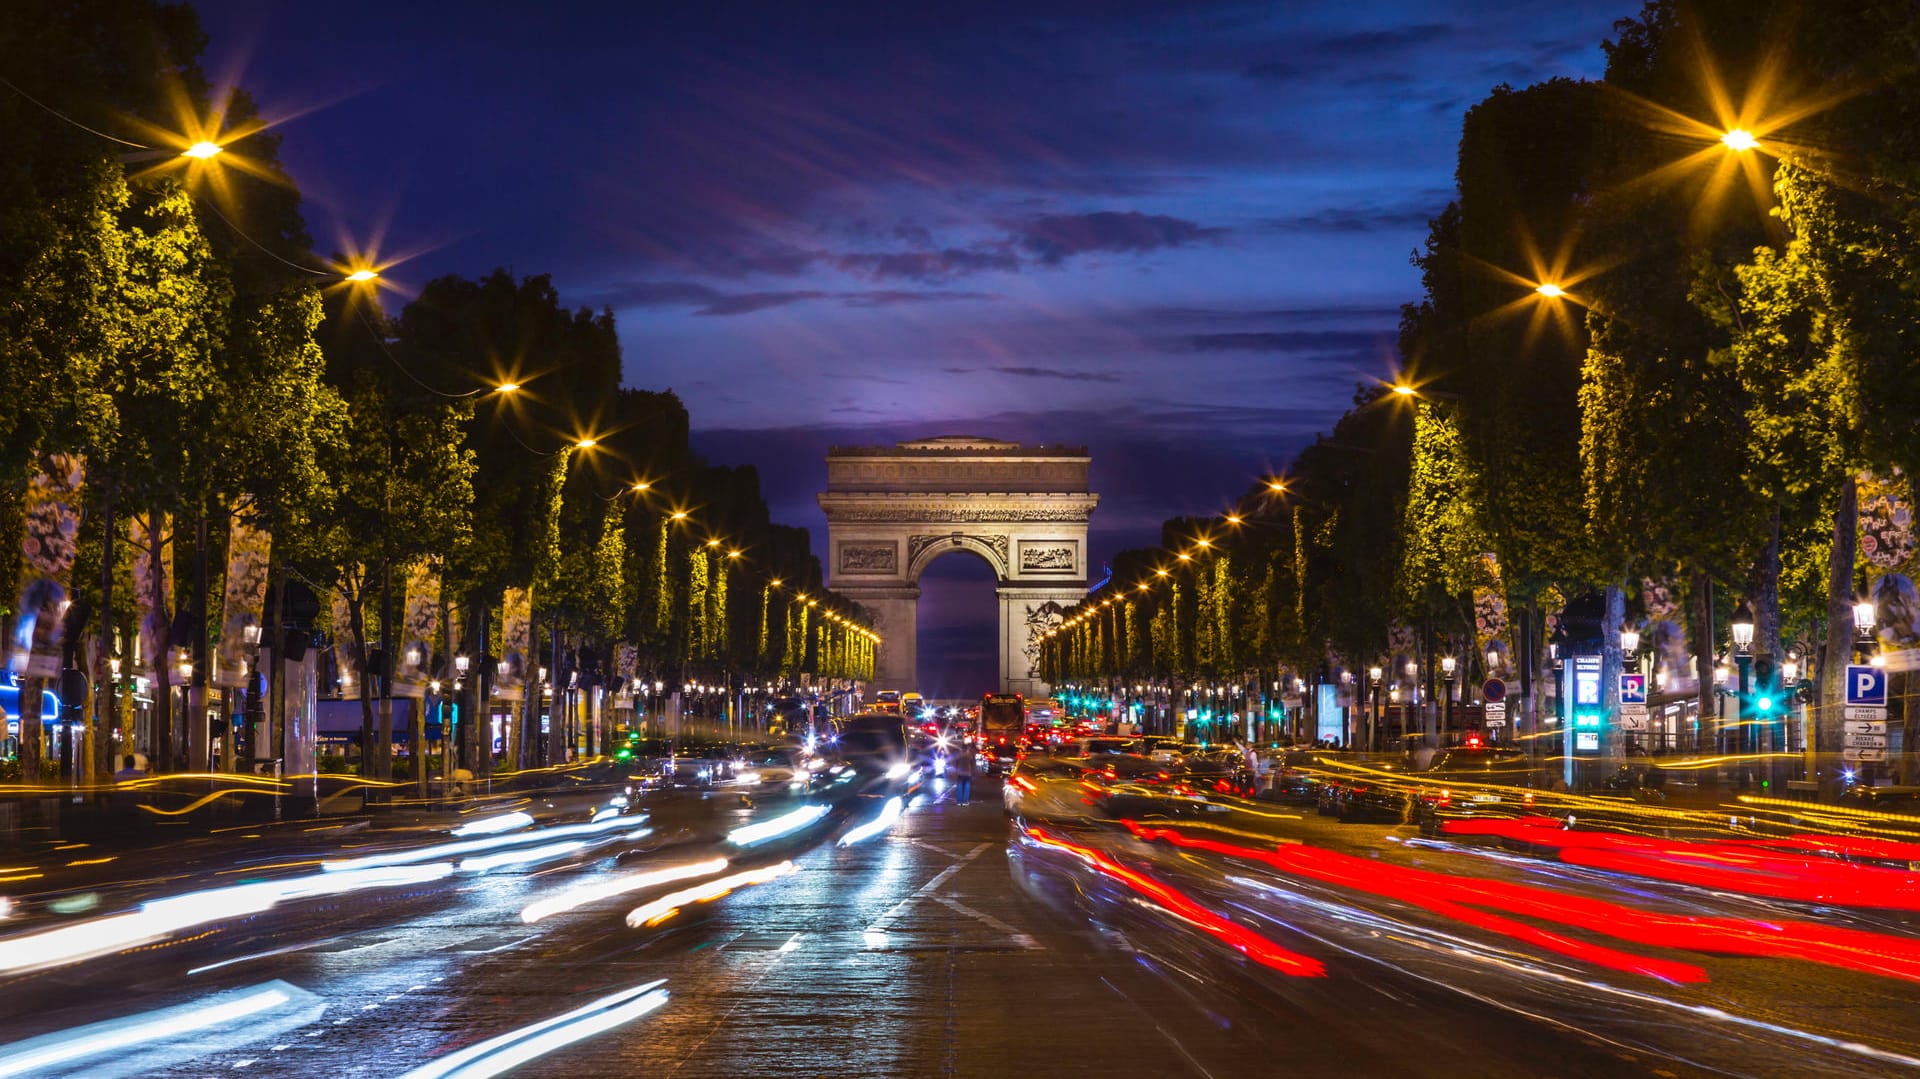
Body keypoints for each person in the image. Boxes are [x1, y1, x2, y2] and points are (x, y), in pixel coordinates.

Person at [947, 740, 975, 805]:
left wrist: (955, 771)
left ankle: (959, 801)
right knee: (967, 787)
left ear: (962, 748)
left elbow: (956, 763)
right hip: (968, 772)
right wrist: (973, 771)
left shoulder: (959, 754)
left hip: (960, 772)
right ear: (967, 748)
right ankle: (965, 801)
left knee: (960, 786)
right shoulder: (970, 754)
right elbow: (972, 763)